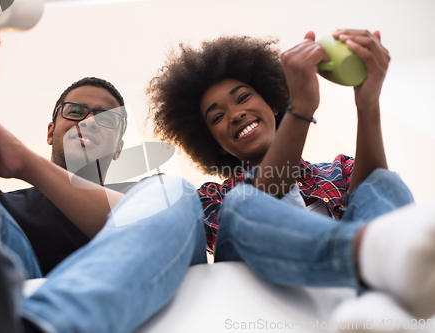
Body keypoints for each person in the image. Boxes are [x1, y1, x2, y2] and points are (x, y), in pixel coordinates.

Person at [148, 30, 435, 319]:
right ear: (215, 144)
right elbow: (261, 199)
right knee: (243, 201)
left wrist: (368, 103)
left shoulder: (340, 170)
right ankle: (371, 256)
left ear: (273, 105)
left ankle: (378, 301)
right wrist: (301, 108)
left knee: (383, 181)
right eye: (217, 117)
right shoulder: (211, 197)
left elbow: (376, 191)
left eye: (243, 97)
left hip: (356, 304)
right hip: (276, 289)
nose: (235, 114)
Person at [0, 22, 133, 275]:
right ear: (50, 133)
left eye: (107, 119)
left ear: (119, 148)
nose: (89, 122)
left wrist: (25, 163)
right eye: (75, 111)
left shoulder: (140, 196)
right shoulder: (6, 209)